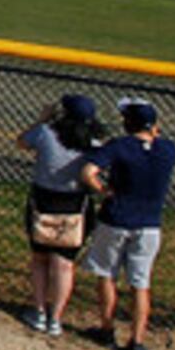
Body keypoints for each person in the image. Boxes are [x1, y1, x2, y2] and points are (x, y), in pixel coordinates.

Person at [80, 99, 175, 350]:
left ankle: (107, 328)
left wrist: (103, 190)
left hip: (116, 219)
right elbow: (155, 143)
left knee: (107, 274)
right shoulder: (167, 150)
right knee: (140, 283)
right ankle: (136, 341)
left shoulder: (119, 147)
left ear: (127, 123)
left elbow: (88, 172)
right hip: (149, 224)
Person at [18, 93, 107, 336]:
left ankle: (38, 311)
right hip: (75, 204)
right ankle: (55, 318)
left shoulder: (46, 133)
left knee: (40, 259)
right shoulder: (94, 142)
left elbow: (22, 142)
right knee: (64, 265)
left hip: (43, 200)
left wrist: (41, 119)